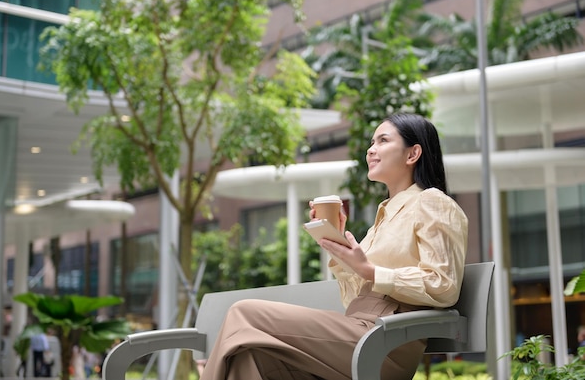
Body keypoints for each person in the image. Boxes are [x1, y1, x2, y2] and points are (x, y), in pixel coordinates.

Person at [199, 112, 468, 380]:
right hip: (357, 329)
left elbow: (443, 285)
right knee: (250, 356)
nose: (371, 151)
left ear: (413, 154)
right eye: (371, 143)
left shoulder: (432, 202)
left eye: (383, 141)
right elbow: (354, 299)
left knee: (244, 312)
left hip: (385, 341)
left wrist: (371, 271)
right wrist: (337, 244)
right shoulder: (383, 218)